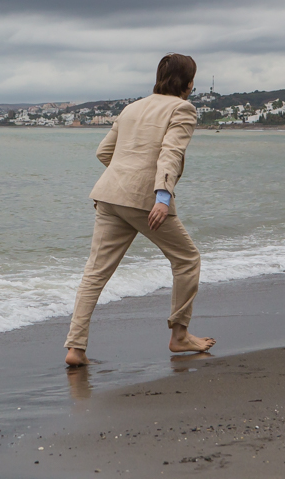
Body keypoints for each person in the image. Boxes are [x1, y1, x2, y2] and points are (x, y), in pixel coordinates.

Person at [64, 53, 215, 366]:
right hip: (146, 201)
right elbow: (170, 153)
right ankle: (179, 335)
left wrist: (125, 176)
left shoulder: (131, 107)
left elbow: (104, 151)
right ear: (188, 85)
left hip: (108, 194)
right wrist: (161, 195)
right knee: (187, 259)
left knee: (94, 273)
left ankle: (75, 348)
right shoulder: (183, 108)